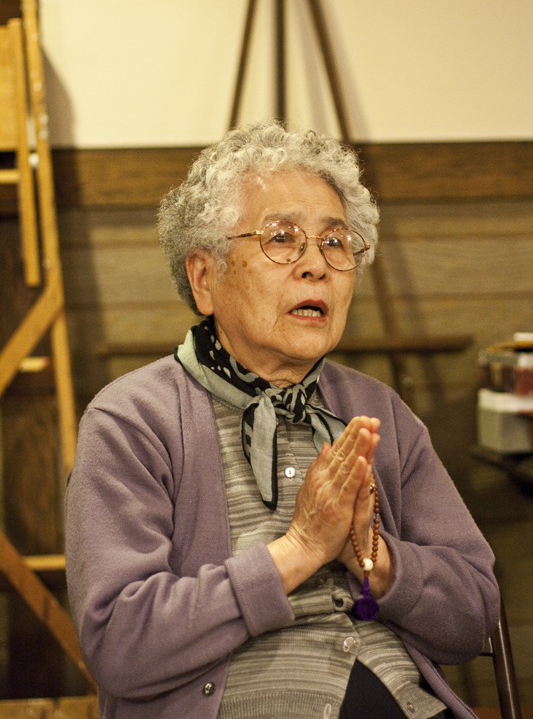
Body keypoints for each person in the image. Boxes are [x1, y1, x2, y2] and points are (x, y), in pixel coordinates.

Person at [65, 121, 499, 719]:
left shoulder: (380, 414)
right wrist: (297, 551)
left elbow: (473, 612)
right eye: (281, 238)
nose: (316, 265)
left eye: (336, 242)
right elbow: (119, 642)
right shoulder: (133, 419)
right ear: (204, 278)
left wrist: (372, 558)